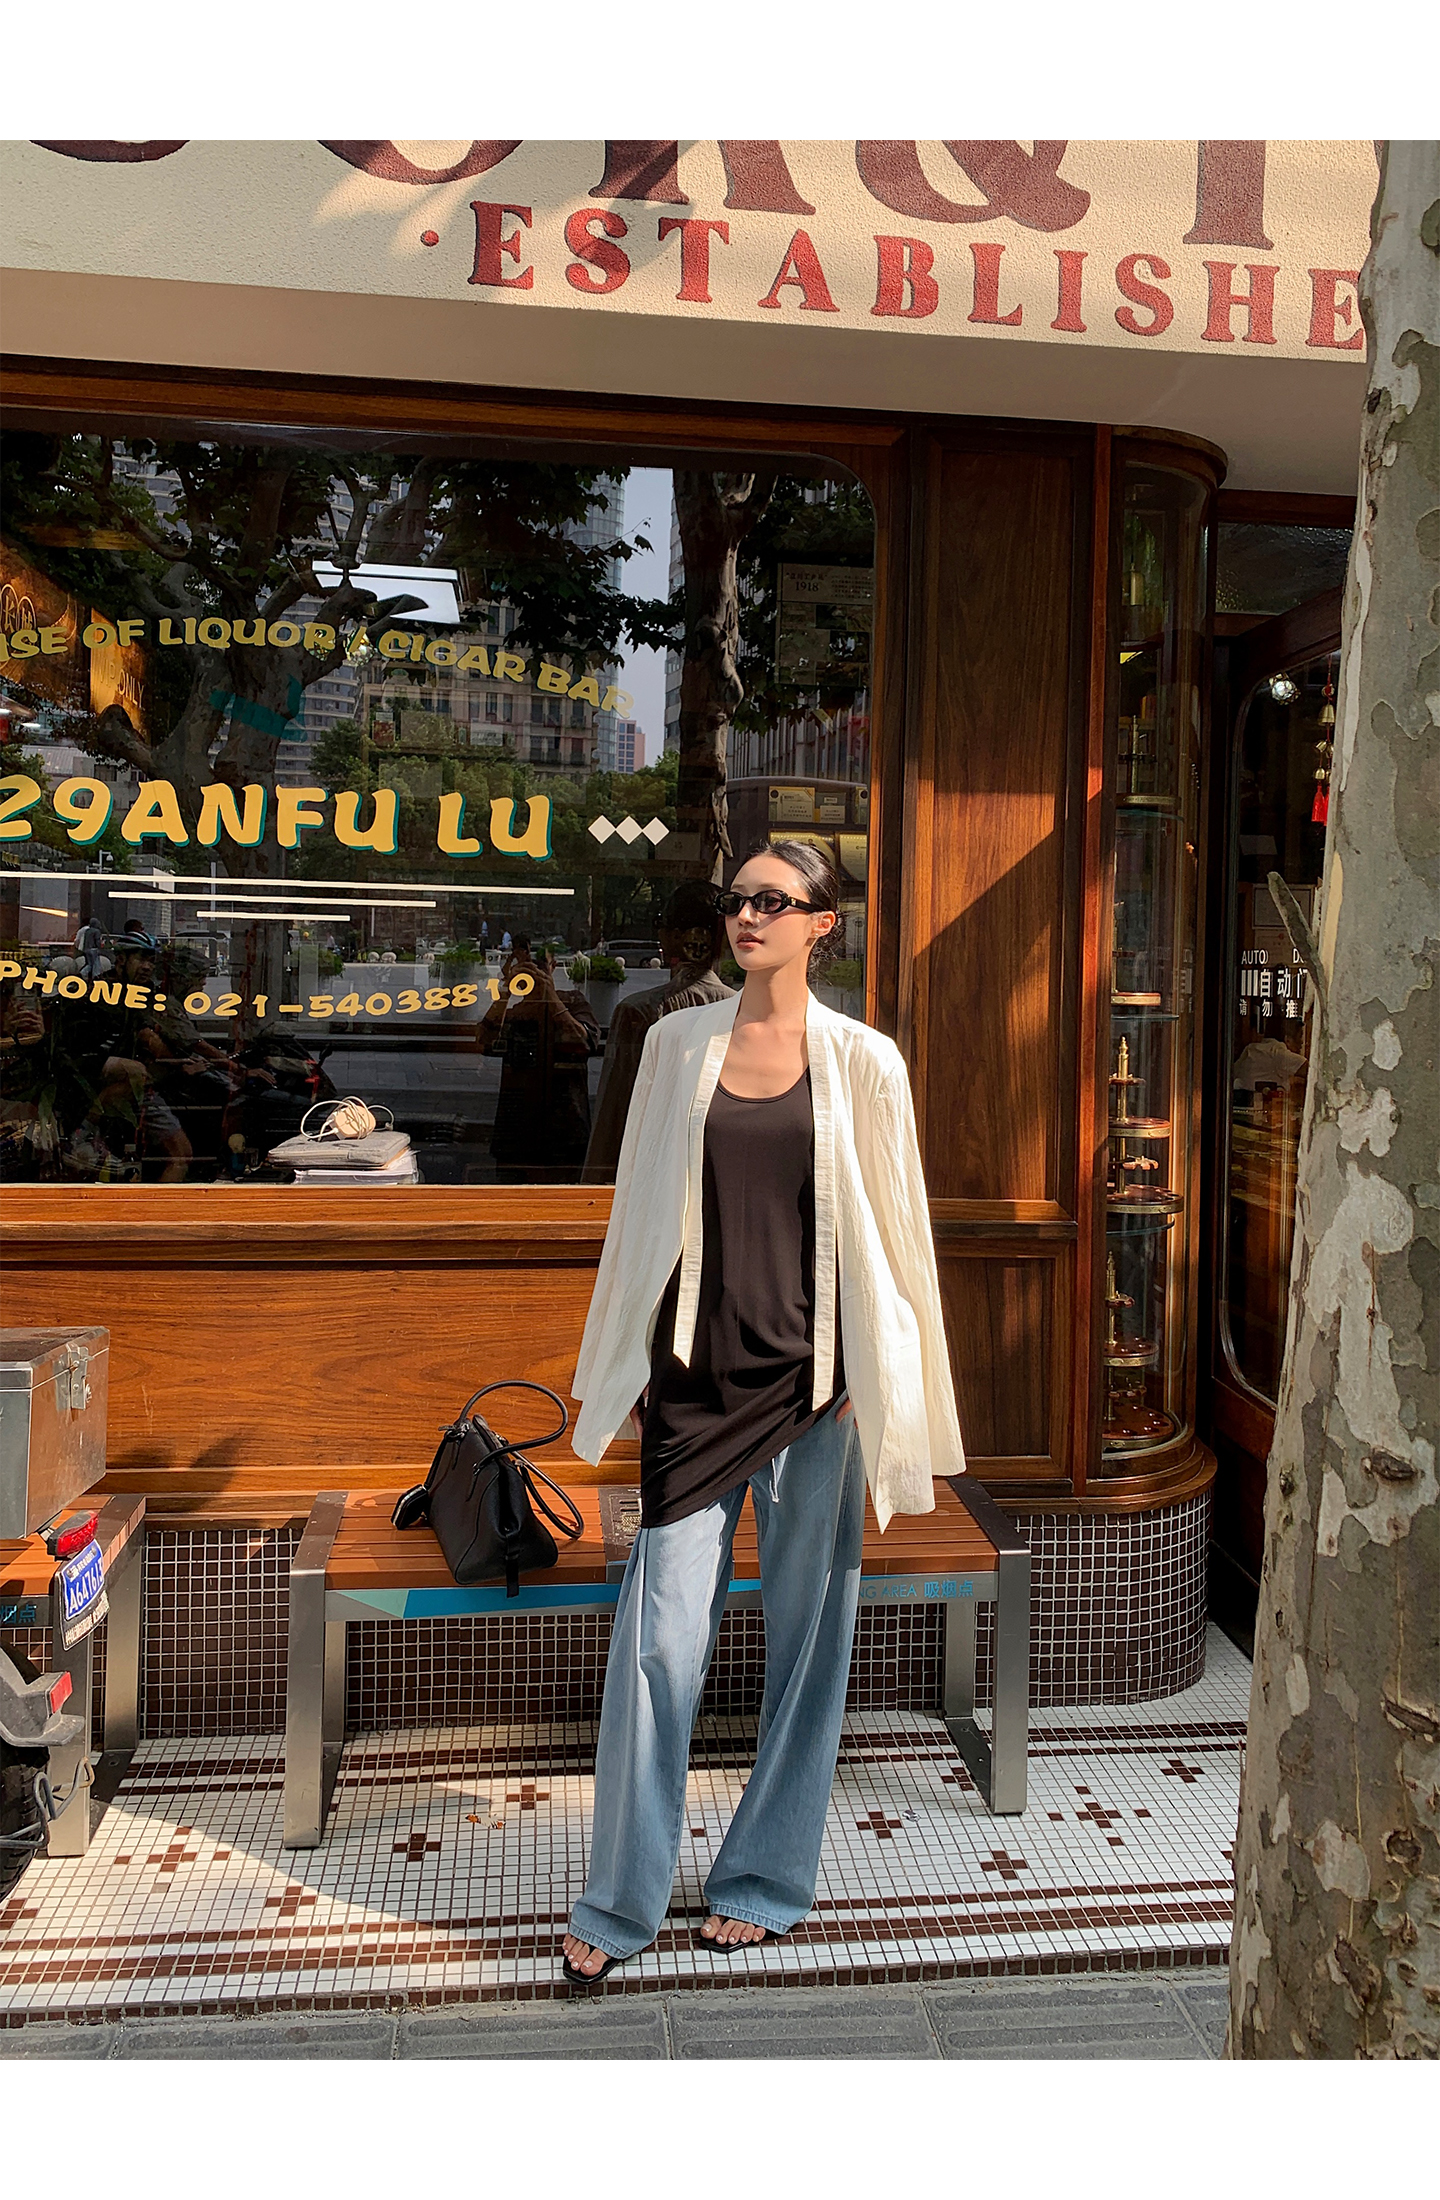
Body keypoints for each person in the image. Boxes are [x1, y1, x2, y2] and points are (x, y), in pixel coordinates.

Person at [561, 840, 965, 1984]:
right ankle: (620, 1898)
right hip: (693, 1386)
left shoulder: (865, 1061)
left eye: (772, 901)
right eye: (737, 900)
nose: (747, 916)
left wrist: (888, 1384)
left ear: (823, 923)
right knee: (658, 1644)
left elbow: (899, 1233)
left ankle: (765, 1881)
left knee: (809, 1645)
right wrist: (629, 1360)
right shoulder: (675, 1044)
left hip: (813, 1388)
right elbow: (637, 1213)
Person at [582, 879, 735, 1182]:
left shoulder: (637, 1012)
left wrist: (594, 1188)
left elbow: (614, 1116)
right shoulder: (743, 1011)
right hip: (719, 1176)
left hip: (649, 1174)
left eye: (662, 924)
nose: (659, 935)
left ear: (682, 936)